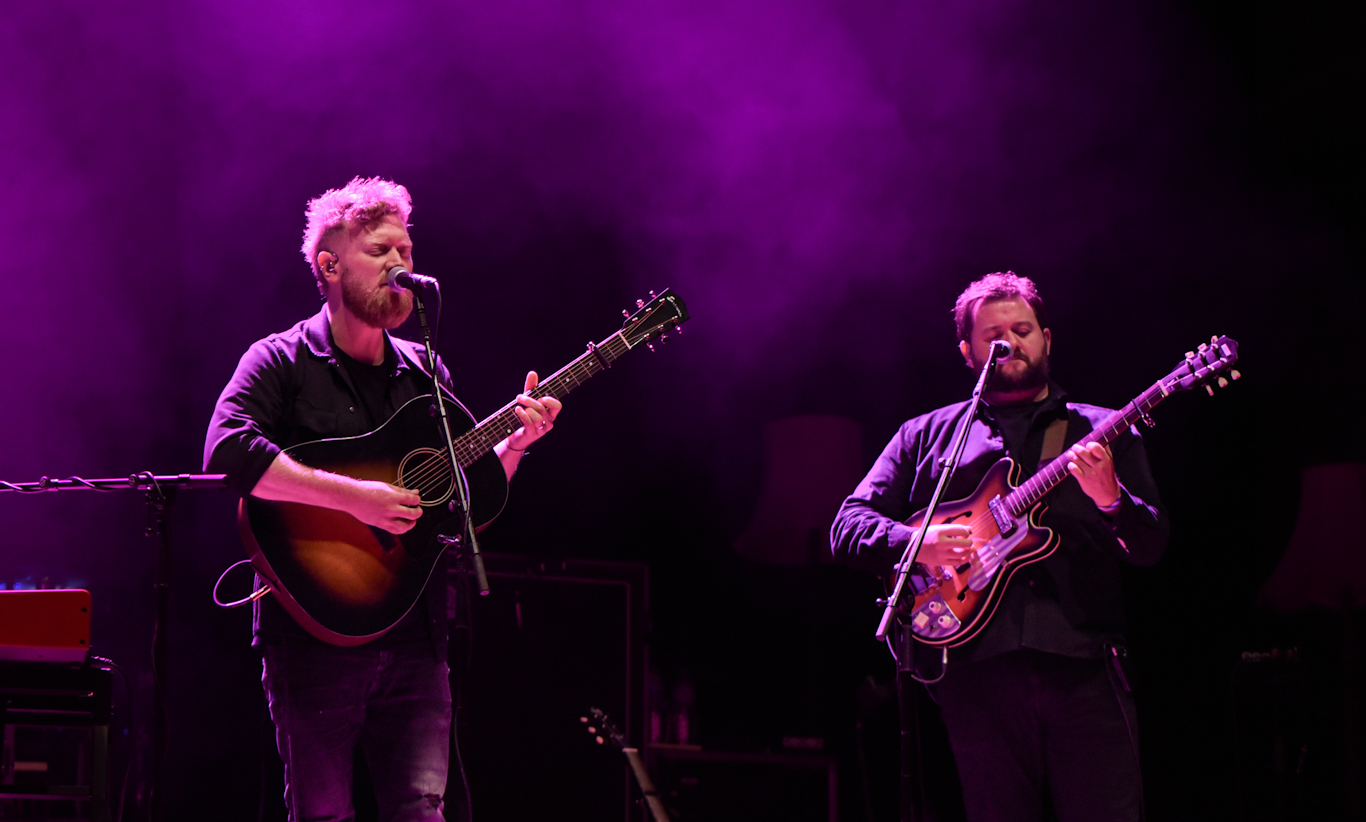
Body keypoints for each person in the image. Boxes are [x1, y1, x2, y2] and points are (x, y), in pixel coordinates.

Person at [204, 176, 561, 821]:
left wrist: (515, 445)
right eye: (380, 251)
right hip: (311, 634)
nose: (400, 265)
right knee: (323, 815)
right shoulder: (279, 361)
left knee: (422, 810)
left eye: (407, 251)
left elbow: (465, 503)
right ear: (330, 265)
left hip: (416, 633)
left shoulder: (426, 372)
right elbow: (227, 451)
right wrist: (353, 498)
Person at [830, 271, 1168, 822]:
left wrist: (1111, 500)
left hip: (1083, 667)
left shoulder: (1099, 431)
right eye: (993, 335)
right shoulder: (925, 436)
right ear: (968, 351)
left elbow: (1151, 546)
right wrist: (918, 542)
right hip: (975, 675)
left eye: (1023, 329)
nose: (1010, 341)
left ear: (1046, 339)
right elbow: (847, 525)